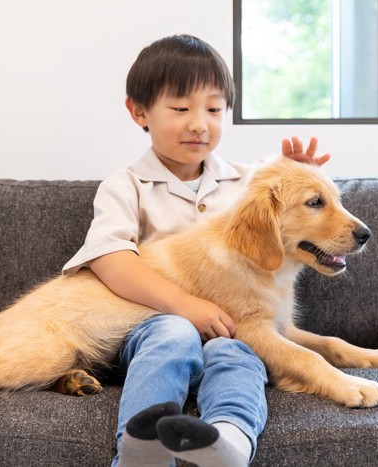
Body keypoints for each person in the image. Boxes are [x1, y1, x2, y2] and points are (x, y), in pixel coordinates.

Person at [62, 34, 329, 467]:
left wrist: (304, 184)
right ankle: (137, 449)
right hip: (149, 329)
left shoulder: (250, 182)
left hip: (231, 329)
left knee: (239, 351)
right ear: (139, 112)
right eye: (181, 108)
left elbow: (302, 229)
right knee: (174, 332)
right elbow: (110, 260)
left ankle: (230, 441)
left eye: (213, 109)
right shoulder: (124, 186)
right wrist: (186, 306)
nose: (199, 124)